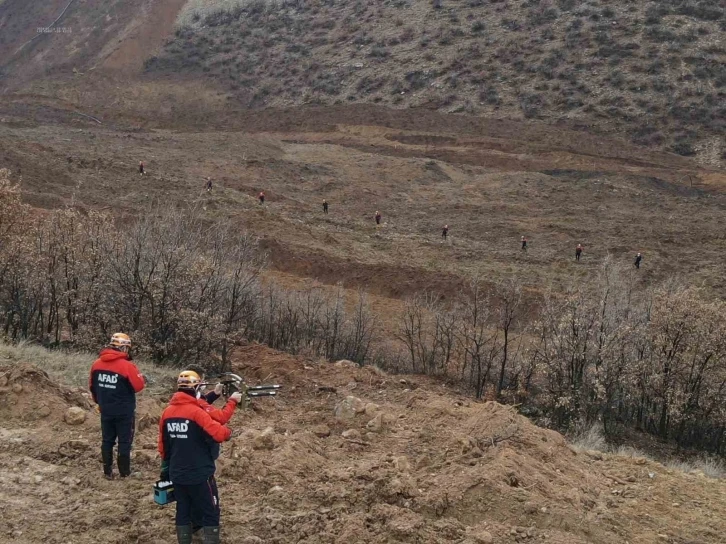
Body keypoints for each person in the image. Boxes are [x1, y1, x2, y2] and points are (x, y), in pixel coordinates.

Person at [159, 371, 233, 544]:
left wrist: (166, 470)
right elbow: (219, 433)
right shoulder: (196, 413)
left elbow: (163, 446)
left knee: (183, 509)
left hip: (177, 472)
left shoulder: (167, 413)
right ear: (195, 388)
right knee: (210, 509)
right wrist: (229, 433)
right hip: (200, 473)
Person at [89, 333, 146, 480]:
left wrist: (99, 402)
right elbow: (139, 386)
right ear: (124, 347)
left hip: (105, 409)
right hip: (124, 411)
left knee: (107, 440)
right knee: (124, 442)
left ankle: (107, 471)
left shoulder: (96, 364)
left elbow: (92, 386)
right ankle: (125, 472)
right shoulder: (127, 366)